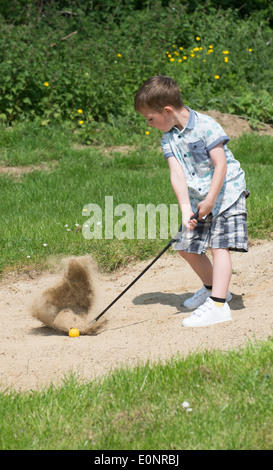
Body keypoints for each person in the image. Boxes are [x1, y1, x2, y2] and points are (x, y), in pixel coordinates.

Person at [134, 75, 249, 327]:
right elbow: (177, 174)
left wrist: (210, 200)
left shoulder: (206, 126)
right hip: (199, 200)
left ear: (167, 110)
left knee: (220, 246)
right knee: (186, 247)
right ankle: (213, 289)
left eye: (150, 118)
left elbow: (221, 166)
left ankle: (219, 306)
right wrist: (186, 209)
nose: (149, 123)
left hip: (227, 194)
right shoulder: (168, 137)